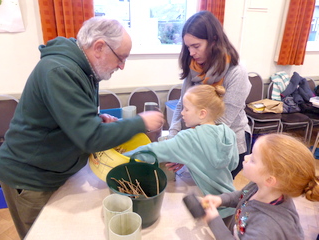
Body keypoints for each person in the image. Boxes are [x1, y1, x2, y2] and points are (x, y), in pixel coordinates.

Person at [0, 17, 164, 239]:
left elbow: (69, 116)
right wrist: (141, 122)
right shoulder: (59, 71)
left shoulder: (84, 70)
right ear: (99, 47)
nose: (122, 66)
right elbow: (91, 138)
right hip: (29, 177)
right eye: (121, 58)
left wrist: (96, 118)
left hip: (53, 171)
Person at [124, 84, 239, 221]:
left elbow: (153, 151)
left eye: (186, 109)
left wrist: (123, 156)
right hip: (232, 203)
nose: (182, 113)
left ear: (202, 113)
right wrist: (192, 160)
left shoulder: (189, 137)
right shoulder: (228, 133)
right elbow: (233, 164)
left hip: (213, 209)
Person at [168, 10, 251, 178]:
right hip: (197, 142)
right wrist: (173, 139)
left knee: (215, 196)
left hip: (227, 146)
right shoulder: (194, 69)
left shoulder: (236, 72)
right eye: (188, 47)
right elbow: (181, 105)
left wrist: (185, 151)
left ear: (214, 41)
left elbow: (221, 123)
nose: (191, 53)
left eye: (196, 46)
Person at [201, 133, 319, 240]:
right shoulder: (259, 186)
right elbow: (242, 195)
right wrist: (221, 199)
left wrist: (214, 222)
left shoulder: (266, 226)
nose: (246, 158)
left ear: (269, 180)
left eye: (253, 159)